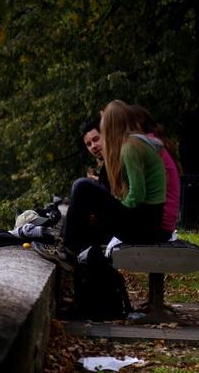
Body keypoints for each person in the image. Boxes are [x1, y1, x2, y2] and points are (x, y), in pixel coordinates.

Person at [38, 100, 171, 269]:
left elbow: (137, 195)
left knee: (82, 186)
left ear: (110, 125)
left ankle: (67, 251)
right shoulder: (136, 144)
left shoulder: (130, 148)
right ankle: (72, 258)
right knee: (86, 223)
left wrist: (111, 212)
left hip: (144, 226)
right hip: (146, 223)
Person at [130, 104, 181, 235]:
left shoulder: (146, 147)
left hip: (159, 222)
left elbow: (137, 193)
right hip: (166, 221)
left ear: (137, 126)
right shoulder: (154, 143)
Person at [79, 117, 110, 190]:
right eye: (89, 144)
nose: (93, 146)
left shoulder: (122, 156)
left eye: (96, 139)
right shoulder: (103, 169)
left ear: (105, 136)